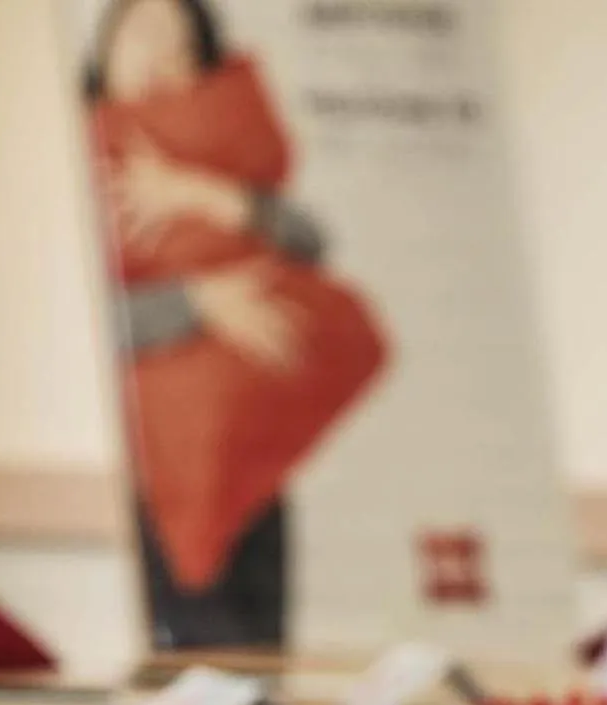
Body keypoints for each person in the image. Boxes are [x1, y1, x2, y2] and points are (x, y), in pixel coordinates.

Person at [82, 0, 388, 648]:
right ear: (103, 49)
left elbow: (308, 239)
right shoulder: (73, 165)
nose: (159, 56)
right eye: (142, 34)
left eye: (179, 43)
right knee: (199, 672)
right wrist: (199, 304)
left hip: (252, 463)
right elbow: (74, 322)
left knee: (263, 657)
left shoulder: (218, 150)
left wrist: (205, 195)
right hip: (151, 473)